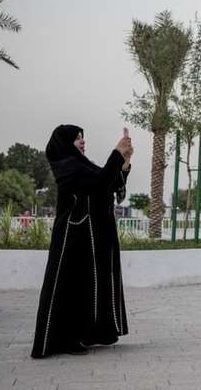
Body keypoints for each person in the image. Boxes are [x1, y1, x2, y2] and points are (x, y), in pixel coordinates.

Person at [31, 125, 133, 358]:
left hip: (86, 236)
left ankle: (85, 333)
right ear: (66, 143)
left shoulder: (81, 164)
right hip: (71, 237)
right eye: (77, 138)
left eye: (83, 137)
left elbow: (109, 184)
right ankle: (64, 339)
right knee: (69, 285)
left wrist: (124, 163)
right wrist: (117, 153)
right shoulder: (66, 165)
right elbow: (99, 181)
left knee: (86, 285)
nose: (82, 141)